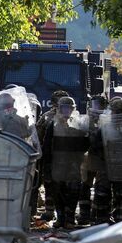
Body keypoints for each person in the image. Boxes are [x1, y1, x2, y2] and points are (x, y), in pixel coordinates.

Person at [43, 96, 89, 228]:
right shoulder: (53, 124)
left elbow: (86, 143)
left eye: (69, 108)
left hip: (74, 165)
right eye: (63, 108)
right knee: (58, 192)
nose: (66, 111)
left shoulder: (79, 123)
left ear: (73, 109)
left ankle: (69, 219)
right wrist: (48, 164)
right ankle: (61, 218)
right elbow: (47, 145)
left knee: (73, 192)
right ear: (59, 108)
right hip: (57, 164)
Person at [36, 90, 69, 222]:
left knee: (63, 185)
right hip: (51, 155)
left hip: (65, 157)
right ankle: (51, 211)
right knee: (50, 184)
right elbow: (39, 135)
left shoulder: (72, 117)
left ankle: (61, 213)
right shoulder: (47, 117)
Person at [82, 95, 109, 225]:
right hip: (88, 156)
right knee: (85, 185)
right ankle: (84, 213)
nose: (97, 108)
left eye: (100, 105)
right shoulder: (85, 120)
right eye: (95, 104)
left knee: (101, 187)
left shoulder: (108, 120)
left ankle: (97, 213)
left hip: (102, 158)